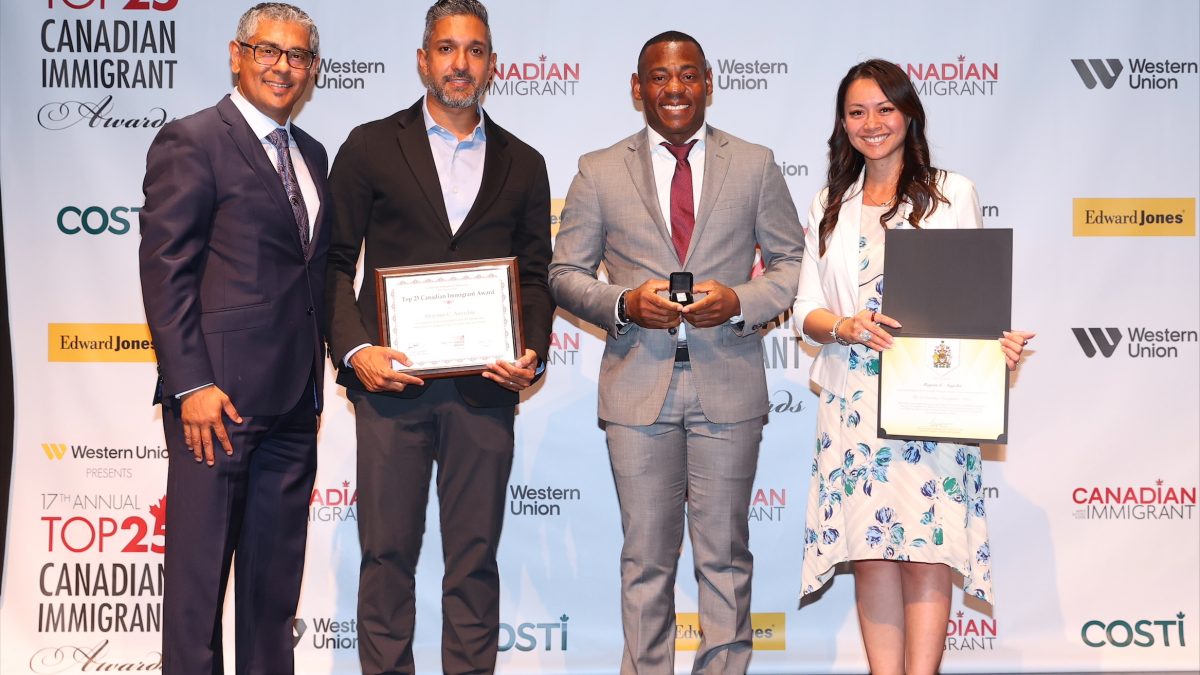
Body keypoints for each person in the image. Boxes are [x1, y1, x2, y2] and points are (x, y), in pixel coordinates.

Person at [550, 31, 804, 675]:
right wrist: (625, 305)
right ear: (638, 88)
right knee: (646, 562)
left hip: (729, 384)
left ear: (709, 83)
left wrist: (741, 301)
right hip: (638, 389)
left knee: (724, 556)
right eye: (659, 77)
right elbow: (563, 273)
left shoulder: (754, 162)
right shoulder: (598, 169)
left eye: (687, 75)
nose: (674, 88)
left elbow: (792, 261)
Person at [323, 1, 554, 672]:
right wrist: (357, 350)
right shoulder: (369, 145)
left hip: (485, 391)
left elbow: (536, 278)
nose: (461, 63)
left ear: (492, 64)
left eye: (475, 50)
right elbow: (334, 263)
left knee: (475, 560)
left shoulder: (525, 161)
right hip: (390, 389)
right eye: (447, 49)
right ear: (423, 60)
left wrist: (530, 355)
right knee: (387, 556)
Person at [794, 59, 1034, 675]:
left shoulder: (954, 192)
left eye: (884, 109)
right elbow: (805, 312)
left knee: (928, 545)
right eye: (856, 111)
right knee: (871, 550)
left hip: (936, 397)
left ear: (908, 115)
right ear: (842, 122)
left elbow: (976, 300)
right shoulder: (830, 203)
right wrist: (844, 325)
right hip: (854, 398)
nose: (871, 123)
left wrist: (994, 347)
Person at [137, 3, 328, 673]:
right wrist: (190, 384)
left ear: (311, 69)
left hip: (292, 408)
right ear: (236, 53)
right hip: (214, 407)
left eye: (297, 55)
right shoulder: (192, 140)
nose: (282, 66)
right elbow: (165, 269)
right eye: (268, 50)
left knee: (272, 596)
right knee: (197, 594)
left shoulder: (311, 153)